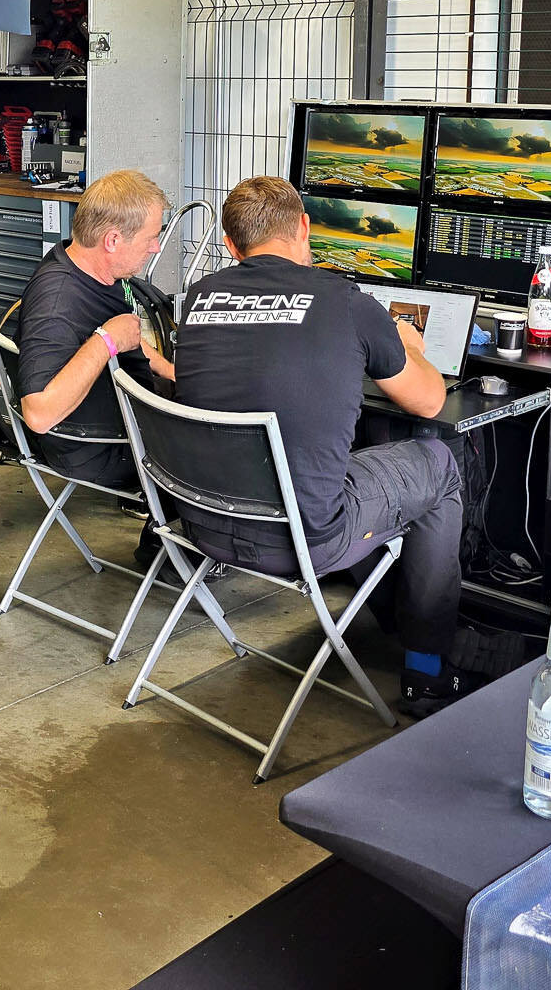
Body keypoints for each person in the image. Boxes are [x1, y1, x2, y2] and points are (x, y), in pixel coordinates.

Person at [173, 175, 470, 719]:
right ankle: (427, 671)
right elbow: (429, 402)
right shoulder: (347, 304)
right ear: (305, 226)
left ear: (231, 246)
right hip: (305, 541)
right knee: (439, 462)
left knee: (344, 462)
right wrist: (407, 344)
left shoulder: (196, 301)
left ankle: (389, 611)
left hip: (205, 525)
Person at [15, 169, 175, 562]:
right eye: (150, 237)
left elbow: (124, 333)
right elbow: (38, 413)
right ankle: (174, 551)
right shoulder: (58, 304)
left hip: (119, 421)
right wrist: (105, 342)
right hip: (98, 449)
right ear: (113, 240)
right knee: (225, 435)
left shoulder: (86, 267)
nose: (155, 247)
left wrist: (167, 369)